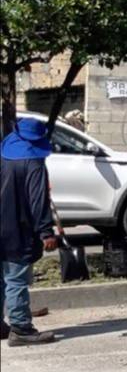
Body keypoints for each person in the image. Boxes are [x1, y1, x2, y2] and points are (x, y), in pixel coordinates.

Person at [0, 118, 59, 346]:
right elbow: (37, 201)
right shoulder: (34, 162)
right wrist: (46, 232)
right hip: (18, 230)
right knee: (16, 281)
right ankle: (21, 330)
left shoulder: (3, 155)